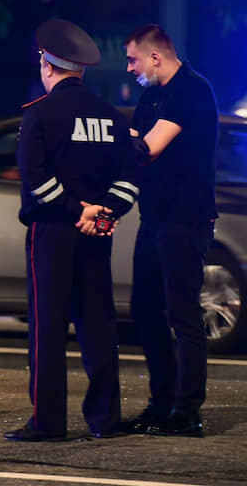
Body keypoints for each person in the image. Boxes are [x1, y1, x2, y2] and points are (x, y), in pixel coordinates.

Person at [5, 19, 140, 442]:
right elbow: (130, 178)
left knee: (48, 327)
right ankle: (104, 418)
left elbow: (34, 177)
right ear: (81, 69)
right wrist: (100, 214)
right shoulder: (112, 118)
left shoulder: (40, 115)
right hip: (97, 235)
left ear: (47, 64)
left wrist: (72, 210)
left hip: (52, 233)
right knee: (99, 324)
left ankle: (48, 422)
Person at [122, 24, 218, 438]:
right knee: (145, 310)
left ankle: (187, 410)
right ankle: (161, 403)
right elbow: (135, 141)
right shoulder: (152, 95)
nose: (129, 69)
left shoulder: (190, 90)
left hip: (185, 219)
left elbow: (148, 146)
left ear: (154, 57)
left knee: (183, 315)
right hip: (155, 217)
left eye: (132, 59)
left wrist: (108, 138)